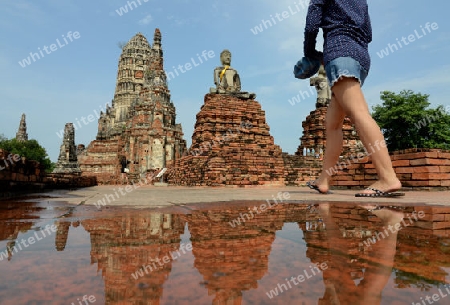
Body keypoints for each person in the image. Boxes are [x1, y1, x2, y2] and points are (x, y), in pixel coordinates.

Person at [303, 0, 403, 197]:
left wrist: (310, 53)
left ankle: (388, 177)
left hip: (339, 54)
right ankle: (324, 179)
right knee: (332, 124)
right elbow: (368, 33)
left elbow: (312, 23)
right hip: (360, 56)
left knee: (359, 114)